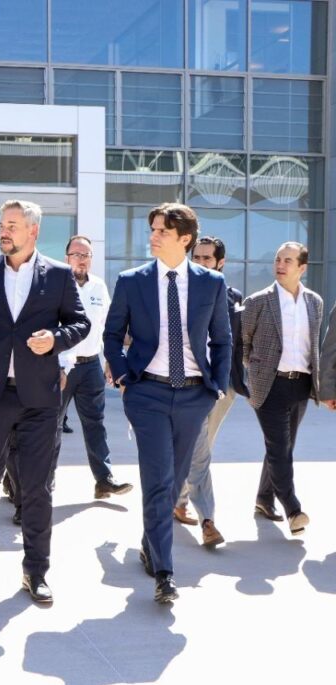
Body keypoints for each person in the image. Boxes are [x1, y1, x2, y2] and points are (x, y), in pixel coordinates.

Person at [0, 199, 90, 605]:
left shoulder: (59, 275)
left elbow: (80, 323)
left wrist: (56, 339)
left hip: (39, 397)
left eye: (12, 225)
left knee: (37, 487)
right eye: (2, 224)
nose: (4, 231)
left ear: (33, 231)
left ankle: (36, 570)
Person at [104, 203, 231, 605]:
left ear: (185, 239)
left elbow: (222, 340)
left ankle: (151, 543)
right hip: (148, 394)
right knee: (159, 480)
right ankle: (164, 572)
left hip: (195, 395)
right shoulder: (132, 281)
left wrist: (216, 387)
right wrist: (122, 376)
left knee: (176, 481)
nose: (154, 236)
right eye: (153, 229)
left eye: (162, 231)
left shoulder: (211, 283)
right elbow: (112, 335)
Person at [242, 242, 322, 536]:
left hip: (301, 384)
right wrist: (257, 372)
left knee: (283, 448)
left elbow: (313, 347)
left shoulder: (314, 302)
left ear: (302, 268)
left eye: (288, 260)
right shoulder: (257, 302)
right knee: (279, 449)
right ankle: (293, 509)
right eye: (278, 259)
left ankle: (264, 499)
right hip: (270, 385)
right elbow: (243, 343)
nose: (280, 264)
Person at [174, 236, 247, 546]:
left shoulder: (233, 296)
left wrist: (237, 381)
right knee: (196, 451)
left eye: (207, 258)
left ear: (221, 263)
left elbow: (236, 341)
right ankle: (206, 519)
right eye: (198, 257)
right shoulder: (177, 291)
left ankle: (181, 501)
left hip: (220, 386)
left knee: (202, 447)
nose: (202, 262)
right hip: (185, 383)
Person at [52, 235, 132, 500]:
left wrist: (110, 359)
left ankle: (104, 479)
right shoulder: (55, 284)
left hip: (90, 366)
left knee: (95, 424)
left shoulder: (98, 286)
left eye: (86, 255)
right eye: (76, 254)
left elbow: (107, 326)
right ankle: (40, 482)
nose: (81, 259)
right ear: (67, 257)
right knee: (50, 425)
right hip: (60, 367)